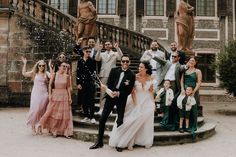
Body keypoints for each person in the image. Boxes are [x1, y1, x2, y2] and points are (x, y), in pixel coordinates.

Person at [89, 55, 135, 150]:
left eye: (127, 61)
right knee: (102, 119)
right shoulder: (114, 70)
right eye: (123, 61)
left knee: (120, 120)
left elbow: (129, 90)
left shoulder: (132, 75)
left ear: (129, 62)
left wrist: (118, 93)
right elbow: (109, 83)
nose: (125, 63)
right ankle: (99, 141)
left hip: (121, 99)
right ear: (121, 62)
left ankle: (119, 143)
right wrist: (107, 89)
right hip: (110, 97)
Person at [108, 61, 155, 152]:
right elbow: (132, 92)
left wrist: (153, 103)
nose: (139, 68)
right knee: (132, 120)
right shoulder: (135, 76)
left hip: (147, 101)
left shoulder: (150, 78)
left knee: (144, 119)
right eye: (139, 67)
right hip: (135, 100)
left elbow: (151, 91)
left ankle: (143, 140)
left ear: (146, 69)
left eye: (141, 67)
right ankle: (128, 141)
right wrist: (136, 105)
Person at [152, 51, 188, 130]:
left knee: (171, 102)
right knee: (158, 97)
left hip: (173, 84)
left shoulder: (179, 66)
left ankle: (170, 120)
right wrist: (152, 55)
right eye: (172, 56)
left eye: (175, 57)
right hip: (164, 83)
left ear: (178, 58)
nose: (173, 58)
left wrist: (187, 66)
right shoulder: (167, 63)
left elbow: (183, 68)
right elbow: (160, 60)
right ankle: (160, 113)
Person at [39, 61, 73, 139]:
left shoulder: (67, 76)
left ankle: (65, 132)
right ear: (59, 67)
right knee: (55, 113)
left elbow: (68, 87)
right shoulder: (55, 74)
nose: (64, 68)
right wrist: (50, 94)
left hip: (64, 95)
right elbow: (50, 85)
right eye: (63, 66)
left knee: (65, 115)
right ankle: (55, 130)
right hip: (56, 95)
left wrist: (70, 97)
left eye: (65, 66)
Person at [21, 57, 51, 135]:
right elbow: (24, 73)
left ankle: (40, 127)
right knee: (35, 110)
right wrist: (25, 64)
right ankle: (33, 125)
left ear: (44, 66)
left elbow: (52, 77)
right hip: (36, 93)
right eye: (40, 65)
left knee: (42, 111)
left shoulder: (46, 73)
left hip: (44, 94)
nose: (41, 67)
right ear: (37, 66)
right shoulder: (34, 73)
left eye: (43, 66)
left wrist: (50, 67)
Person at [95, 41, 123, 115]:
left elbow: (121, 57)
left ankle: (109, 109)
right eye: (106, 44)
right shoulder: (102, 54)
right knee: (103, 92)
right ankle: (101, 108)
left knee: (110, 92)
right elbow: (97, 59)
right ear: (104, 46)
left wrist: (117, 48)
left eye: (109, 44)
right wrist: (99, 50)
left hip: (112, 75)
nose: (107, 45)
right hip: (104, 74)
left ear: (111, 45)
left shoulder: (115, 53)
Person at [180, 56, 202, 133]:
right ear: (188, 62)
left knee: (192, 109)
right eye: (190, 61)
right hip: (185, 91)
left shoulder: (197, 71)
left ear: (195, 63)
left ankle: (191, 125)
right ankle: (182, 126)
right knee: (183, 108)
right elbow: (182, 81)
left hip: (193, 91)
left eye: (193, 61)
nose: (191, 62)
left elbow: (199, 83)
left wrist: (194, 91)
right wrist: (182, 89)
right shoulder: (184, 70)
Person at [77, 46, 97, 123]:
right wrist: (78, 83)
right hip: (82, 83)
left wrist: (94, 81)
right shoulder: (80, 61)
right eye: (87, 51)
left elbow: (94, 72)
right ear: (83, 52)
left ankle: (92, 117)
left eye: (89, 51)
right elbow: (78, 73)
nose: (88, 53)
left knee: (91, 100)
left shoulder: (92, 61)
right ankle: (86, 116)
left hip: (90, 82)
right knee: (84, 100)